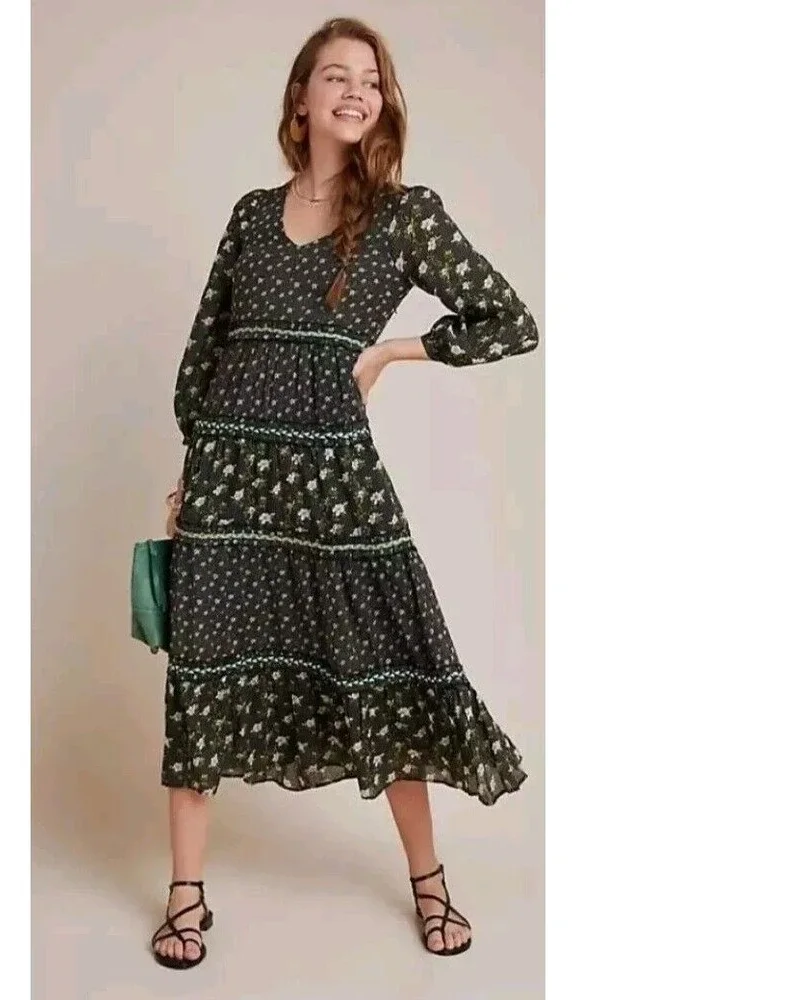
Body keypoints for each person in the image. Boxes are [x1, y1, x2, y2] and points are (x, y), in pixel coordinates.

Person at [150, 16, 540, 969]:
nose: (357, 90)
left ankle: (429, 880)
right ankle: (186, 894)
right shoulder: (251, 215)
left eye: (371, 78)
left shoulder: (404, 215)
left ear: (384, 101)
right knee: (201, 672)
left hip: (333, 479)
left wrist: (395, 349)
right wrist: (190, 471)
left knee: (386, 666)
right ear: (301, 98)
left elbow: (509, 319)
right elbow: (204, 354)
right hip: (231, 482)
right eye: (336, 75)